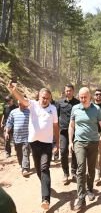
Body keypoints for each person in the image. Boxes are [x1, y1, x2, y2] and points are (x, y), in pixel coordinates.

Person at [6, 82, 59, 211]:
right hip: (34, 143)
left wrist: (57, 142)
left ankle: (45, 199)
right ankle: (45, 185)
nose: (45, 100)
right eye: (43, 97)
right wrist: (14, 90)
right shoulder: (33, 105)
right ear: (39, 97)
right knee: (39, 170)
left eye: (47, 98)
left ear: (50, 98)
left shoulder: (53, 109)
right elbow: (22, 100)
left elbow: (55, 126)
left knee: (45, 167)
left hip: (46, 144)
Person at [68, 87, 101, 211]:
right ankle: (81, 198)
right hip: (79, 142)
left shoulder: (97, 109)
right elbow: (71, 126)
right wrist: (70, 142)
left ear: (90, 97)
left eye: (85, 97)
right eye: (81, 97)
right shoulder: (75, 109)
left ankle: (90, 189)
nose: (83, 99)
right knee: (81, 169)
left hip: (94, 142)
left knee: (91, 169)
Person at [57, 84, 80, 185]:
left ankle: (73, 172)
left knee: (75, 152)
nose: (68, 92)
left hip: (76, 131)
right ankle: (65, 173)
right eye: (67, 91)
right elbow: (56, 116)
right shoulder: (59, 103)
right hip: (63, 131)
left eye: (70, 90)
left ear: (73, 91)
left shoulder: (78, 103)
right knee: (63, 152)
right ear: (64, 91)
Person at [4, 98, 30, 176]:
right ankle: (21, 165)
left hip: (27, 136)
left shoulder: (29, 112)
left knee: (25, 152)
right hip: (16, 137)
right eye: (19, 104)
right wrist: (6, 132)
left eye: (22, 104)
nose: (20, 105)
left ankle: (25, 168)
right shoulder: (13, 112)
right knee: (19, 153)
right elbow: (9, 123)